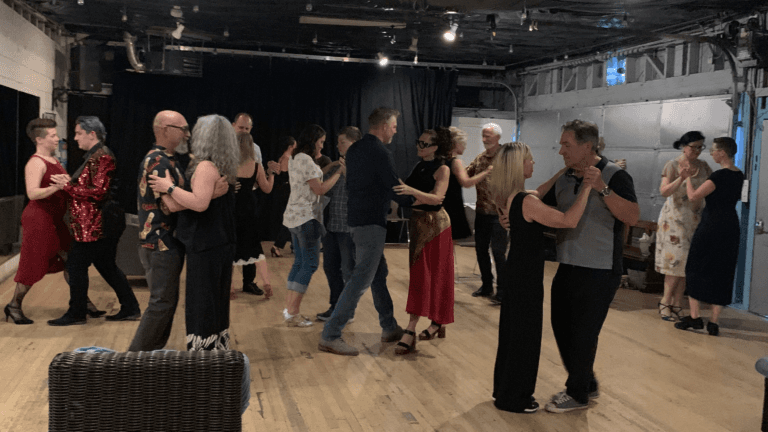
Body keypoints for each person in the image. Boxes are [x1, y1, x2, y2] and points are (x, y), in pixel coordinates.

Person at [540, 119, 639, 413]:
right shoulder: (566, 176)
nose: (560, 150)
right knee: (562, 327)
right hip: (567, 265)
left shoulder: (616, 176)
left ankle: (577, 394)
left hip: (599, 269)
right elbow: (539, 201)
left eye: (566, 144)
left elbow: (632, 217)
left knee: (584, 333)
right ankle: (587, 380)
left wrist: (602, 188)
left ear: (587, 146)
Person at [489, 142, 591, 413]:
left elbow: (543, 188)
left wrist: (566, 169)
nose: (533, 164)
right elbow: (568, 220)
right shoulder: (526, 202)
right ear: (518, 166)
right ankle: (515, 397)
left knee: (513, 332)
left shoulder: (512, 197)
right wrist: (589, 187)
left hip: (517, 271)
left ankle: (506, 390)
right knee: (525, 335)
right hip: (525, 275)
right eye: (529, 160)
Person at [128, 111, 227, 351]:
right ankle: (131, 362)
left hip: (165, 243)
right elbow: (170, 205)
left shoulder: (169, 160)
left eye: (187, 129)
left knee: (165, 305)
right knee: (161, 305)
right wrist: (208, 195)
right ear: (163, 129)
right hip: (160, 243)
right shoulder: (159, 162)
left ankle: (148, 358)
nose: (187, 134)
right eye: (181, 128)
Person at [318, 107, 410, 356]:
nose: (395, 130)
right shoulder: (380, 151)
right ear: (383, 126)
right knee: (361, 278)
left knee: (378, 273)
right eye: (393, 126)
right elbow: (394, 186)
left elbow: (354, 184)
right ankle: (331, 334)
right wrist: (421, 202)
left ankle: (389, 326)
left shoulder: (356, 149)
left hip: (357, 220)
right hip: (370, 222)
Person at [149, 114, 238, 351]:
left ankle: (204, 358)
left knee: (203, 303)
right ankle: (214, 354)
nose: (189, 135)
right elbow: (195, 202)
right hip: (217, 242)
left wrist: (168, 188)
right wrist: (174, 197)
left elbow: (199, 203)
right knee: (212, 302)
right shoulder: (217, 165)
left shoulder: (206, 166)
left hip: (207, 244)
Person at [48, 116, 141, 326]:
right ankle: (130, 307)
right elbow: (91, 186)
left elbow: (98, 192)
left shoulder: (102, 156)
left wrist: (67, 187)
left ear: (92, 134)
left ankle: (77, 312)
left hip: (97, 224)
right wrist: (69, 182)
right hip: (95, 222)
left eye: (79, 133)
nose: (74, 138)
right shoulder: (94, 156)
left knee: (76, 266)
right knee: (106, 266)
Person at [391, 128, 452, 354]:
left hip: (436, 226)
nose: (420, 146)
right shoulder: (419, 166)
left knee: (435, 276)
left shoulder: (443, 168)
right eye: (419, 142)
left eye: (425, 144)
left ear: (436, 147)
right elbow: (407, 194)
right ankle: (430, 323)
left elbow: (437, 198)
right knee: (420, 276)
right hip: (418, 223)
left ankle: (417, 326)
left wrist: (410, 191)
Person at [4, 119, 71, 324]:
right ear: (39, 139)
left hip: (55, 219)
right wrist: (57, 188)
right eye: (52, 135)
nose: (57, 138)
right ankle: (14, 305)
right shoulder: (35, 162)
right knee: (33, 264)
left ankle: (82, 302)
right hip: (39, 219)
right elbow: (32, 193)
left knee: (72, 259)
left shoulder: (54, 160)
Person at [675, 137, 744, 336]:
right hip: (730, 225)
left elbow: (694, 196)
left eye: (714, 150)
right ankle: (714, 322)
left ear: (722, 153)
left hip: (711, 226)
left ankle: (695, 317)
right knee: (723, 270)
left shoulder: (719, 176)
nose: (712, 154)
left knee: (695, 267)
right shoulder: (739, 175)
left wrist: (687, 177)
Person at [282, 124, 344, 327]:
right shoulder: (306, 160)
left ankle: (289, 310)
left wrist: (330, 167)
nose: (322, 146)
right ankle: (293, 313)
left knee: (299, 262)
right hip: (307, 218)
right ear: (313, 141)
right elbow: (320, 188)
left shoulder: (295, 158)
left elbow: (311, 177)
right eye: (321, 142)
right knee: (309, 264)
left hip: (294, 217)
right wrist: (339, 172)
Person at [655, 131, 712, 321]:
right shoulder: (672, 164)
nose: (697, 151)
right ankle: (665, 302)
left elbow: (711, 188)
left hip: (695, 218)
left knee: (688, 264)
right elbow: (664, 191)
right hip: (674, 219)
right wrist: (681, 178)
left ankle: (678, 304)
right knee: (675, 261)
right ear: (684, 146)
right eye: (694, 146)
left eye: (700, 147)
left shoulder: (704, 166)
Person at [317, 126, 362, 321]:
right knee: (330, 267)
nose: (338, 146)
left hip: (349, 227)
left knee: (349, 270)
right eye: (338, 142)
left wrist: (347, 174)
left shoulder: (363, 166)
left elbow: (366, 193)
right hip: (331, 226)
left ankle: (348, 310)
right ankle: (335, 305)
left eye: (342, 142)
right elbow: (321, 186)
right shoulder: (336, 166)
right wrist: (334, 167)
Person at [467, 123, 508, 303]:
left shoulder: (506, 158)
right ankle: (486, 285)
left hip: (500, 214)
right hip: (482, 212)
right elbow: (466, 175)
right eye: (483, 136)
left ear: (498, 137)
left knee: (498, 252)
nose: (484, 140)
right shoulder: (480, 158)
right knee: (481, 250)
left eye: (488, 137)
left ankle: (502, 291)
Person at [233, 132, 277, 297]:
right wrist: (271, 174)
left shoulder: (228, 164)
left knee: (232, 245)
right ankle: (263, 282)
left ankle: (229, 287)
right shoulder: (256, 165)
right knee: (254, 247)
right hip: (250, 208)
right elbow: (267, 189)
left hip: (232, 208)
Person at [442, 126, 493, 240]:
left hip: (443, 202)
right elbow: (466, 183)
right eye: (463, 143)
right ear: (456, 144)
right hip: (453, 204)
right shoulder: (456, 162)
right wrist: (486, 172)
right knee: (450, 240)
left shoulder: (441, 161)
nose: (465, 146)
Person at [270, 136, 297, 257]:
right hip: (287, 191)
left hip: (283, 190)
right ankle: (277, 246)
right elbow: (286, 176)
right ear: (291, 147)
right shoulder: (286, 158)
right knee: (289, 219)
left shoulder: (282, 157)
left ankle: (294, 245)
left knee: (290, 219)